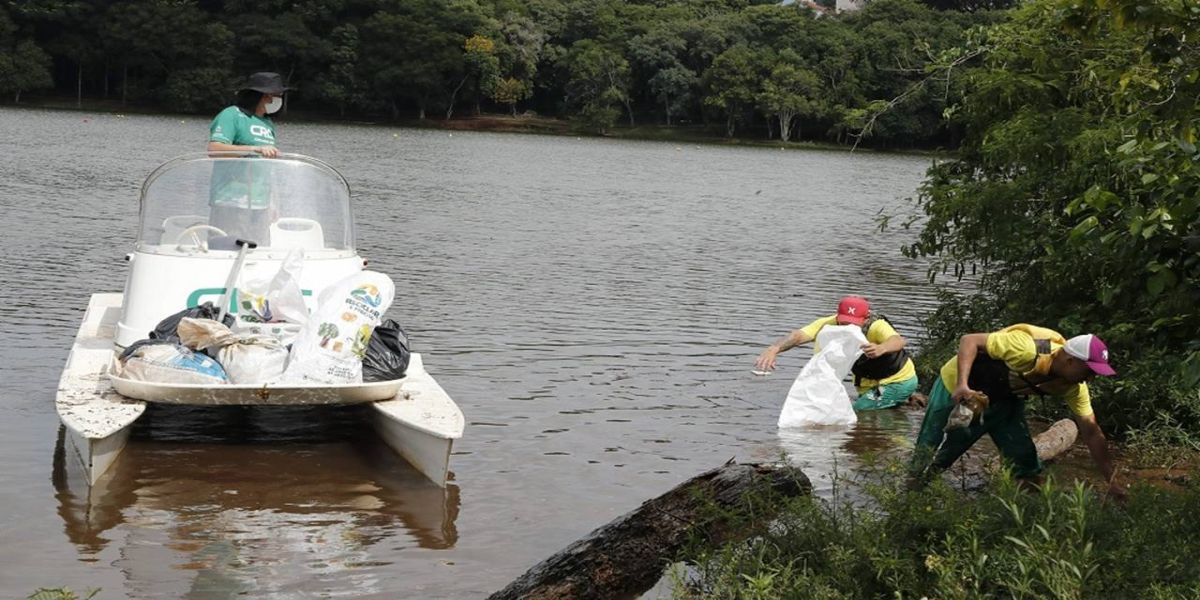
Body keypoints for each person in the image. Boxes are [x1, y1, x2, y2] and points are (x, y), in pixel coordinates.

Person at [909, 324, 1124, 497]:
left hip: (1003, 398)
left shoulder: (1074, 387)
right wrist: (962, 385)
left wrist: (1112, 481)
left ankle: (1025, 516)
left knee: (1024, 460)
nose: (1090, 379)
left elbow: (1091, 432)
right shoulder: (1027, 348)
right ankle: (910, 493)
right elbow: (969, 340)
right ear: (1070, 360)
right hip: (956, 384)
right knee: (930, 442)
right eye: (1089, 371)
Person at [754, 296, 920, 411]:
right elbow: (799, 335)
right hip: (868, 382)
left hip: (897, 380)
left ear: (866, 318)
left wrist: (881, 348)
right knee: (869, 410)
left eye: (853, 323)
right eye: (844, 322)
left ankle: (902, 396)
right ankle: (904, 404)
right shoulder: (830, 323)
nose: (847, 327)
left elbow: (898, 341)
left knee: (858, 412)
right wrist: (774, 349)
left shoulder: (877, 326)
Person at [205, 72, 289, 247]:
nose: (278, 101)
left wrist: (274, 203)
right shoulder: (231, 115)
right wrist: (253, 149)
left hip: (260, 204)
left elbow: (268, 167)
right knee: (229, 250)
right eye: (276, 96)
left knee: (259, 251)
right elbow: (214, 149)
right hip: (231, 200)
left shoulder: (267, 124)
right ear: (263, 96)